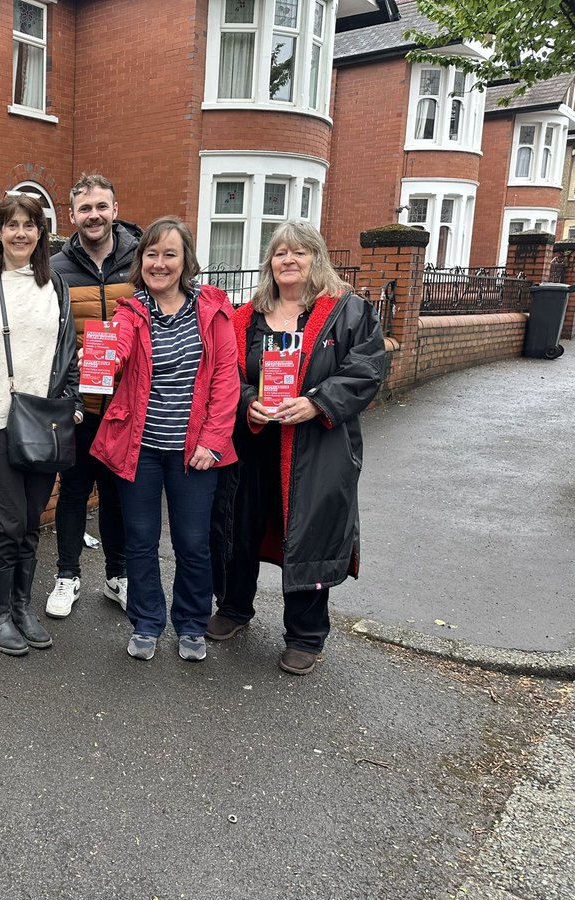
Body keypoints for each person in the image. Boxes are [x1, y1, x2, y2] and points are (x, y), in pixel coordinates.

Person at [208, 222, 385, 675]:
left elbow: (365, 371)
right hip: (252, 445)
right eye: (280, 253)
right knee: (239, 527)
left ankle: (305, 634)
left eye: (299, 252)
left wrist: (317, 402)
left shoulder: (348, 312)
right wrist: (247, 403)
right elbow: (228, 374)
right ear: (270, 262)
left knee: (308, 531)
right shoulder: (247, 315)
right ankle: (233, 607)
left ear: (316, 258)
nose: (288, 260)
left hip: (316, 445)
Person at [90, 217, 239, 663]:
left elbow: (226, 380)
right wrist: (98, 359)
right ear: (141, 261)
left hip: (195, 450)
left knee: (193, 542)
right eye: (151, 254)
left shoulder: (211, 308)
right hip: (141, 447)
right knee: (140, 540)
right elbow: (115, 351)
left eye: (169, 254)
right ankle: (147, 622)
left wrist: (211, 441)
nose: (159, 263)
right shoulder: (130, 309)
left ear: (185, 260)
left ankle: (192, 624)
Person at [0, 194, 81, 656]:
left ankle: (22, 607)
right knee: (8, 523)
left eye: (30, 225)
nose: (21, 233)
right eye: (11, 225)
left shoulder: (55, 285)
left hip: (44, 422)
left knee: (29, 524)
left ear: (41, 233)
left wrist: (72, 402)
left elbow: (69, 352)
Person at [45, 174, 140, 619]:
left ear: (115, 210)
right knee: (74, 491)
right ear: (72, 216)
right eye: (85, 209)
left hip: (128, 403)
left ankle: (117, 577)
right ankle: (67, 575)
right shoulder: (55, 267)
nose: (94, 215)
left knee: (117, 494)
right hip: (79, 405)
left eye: (102, 206)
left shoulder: (141, 261)